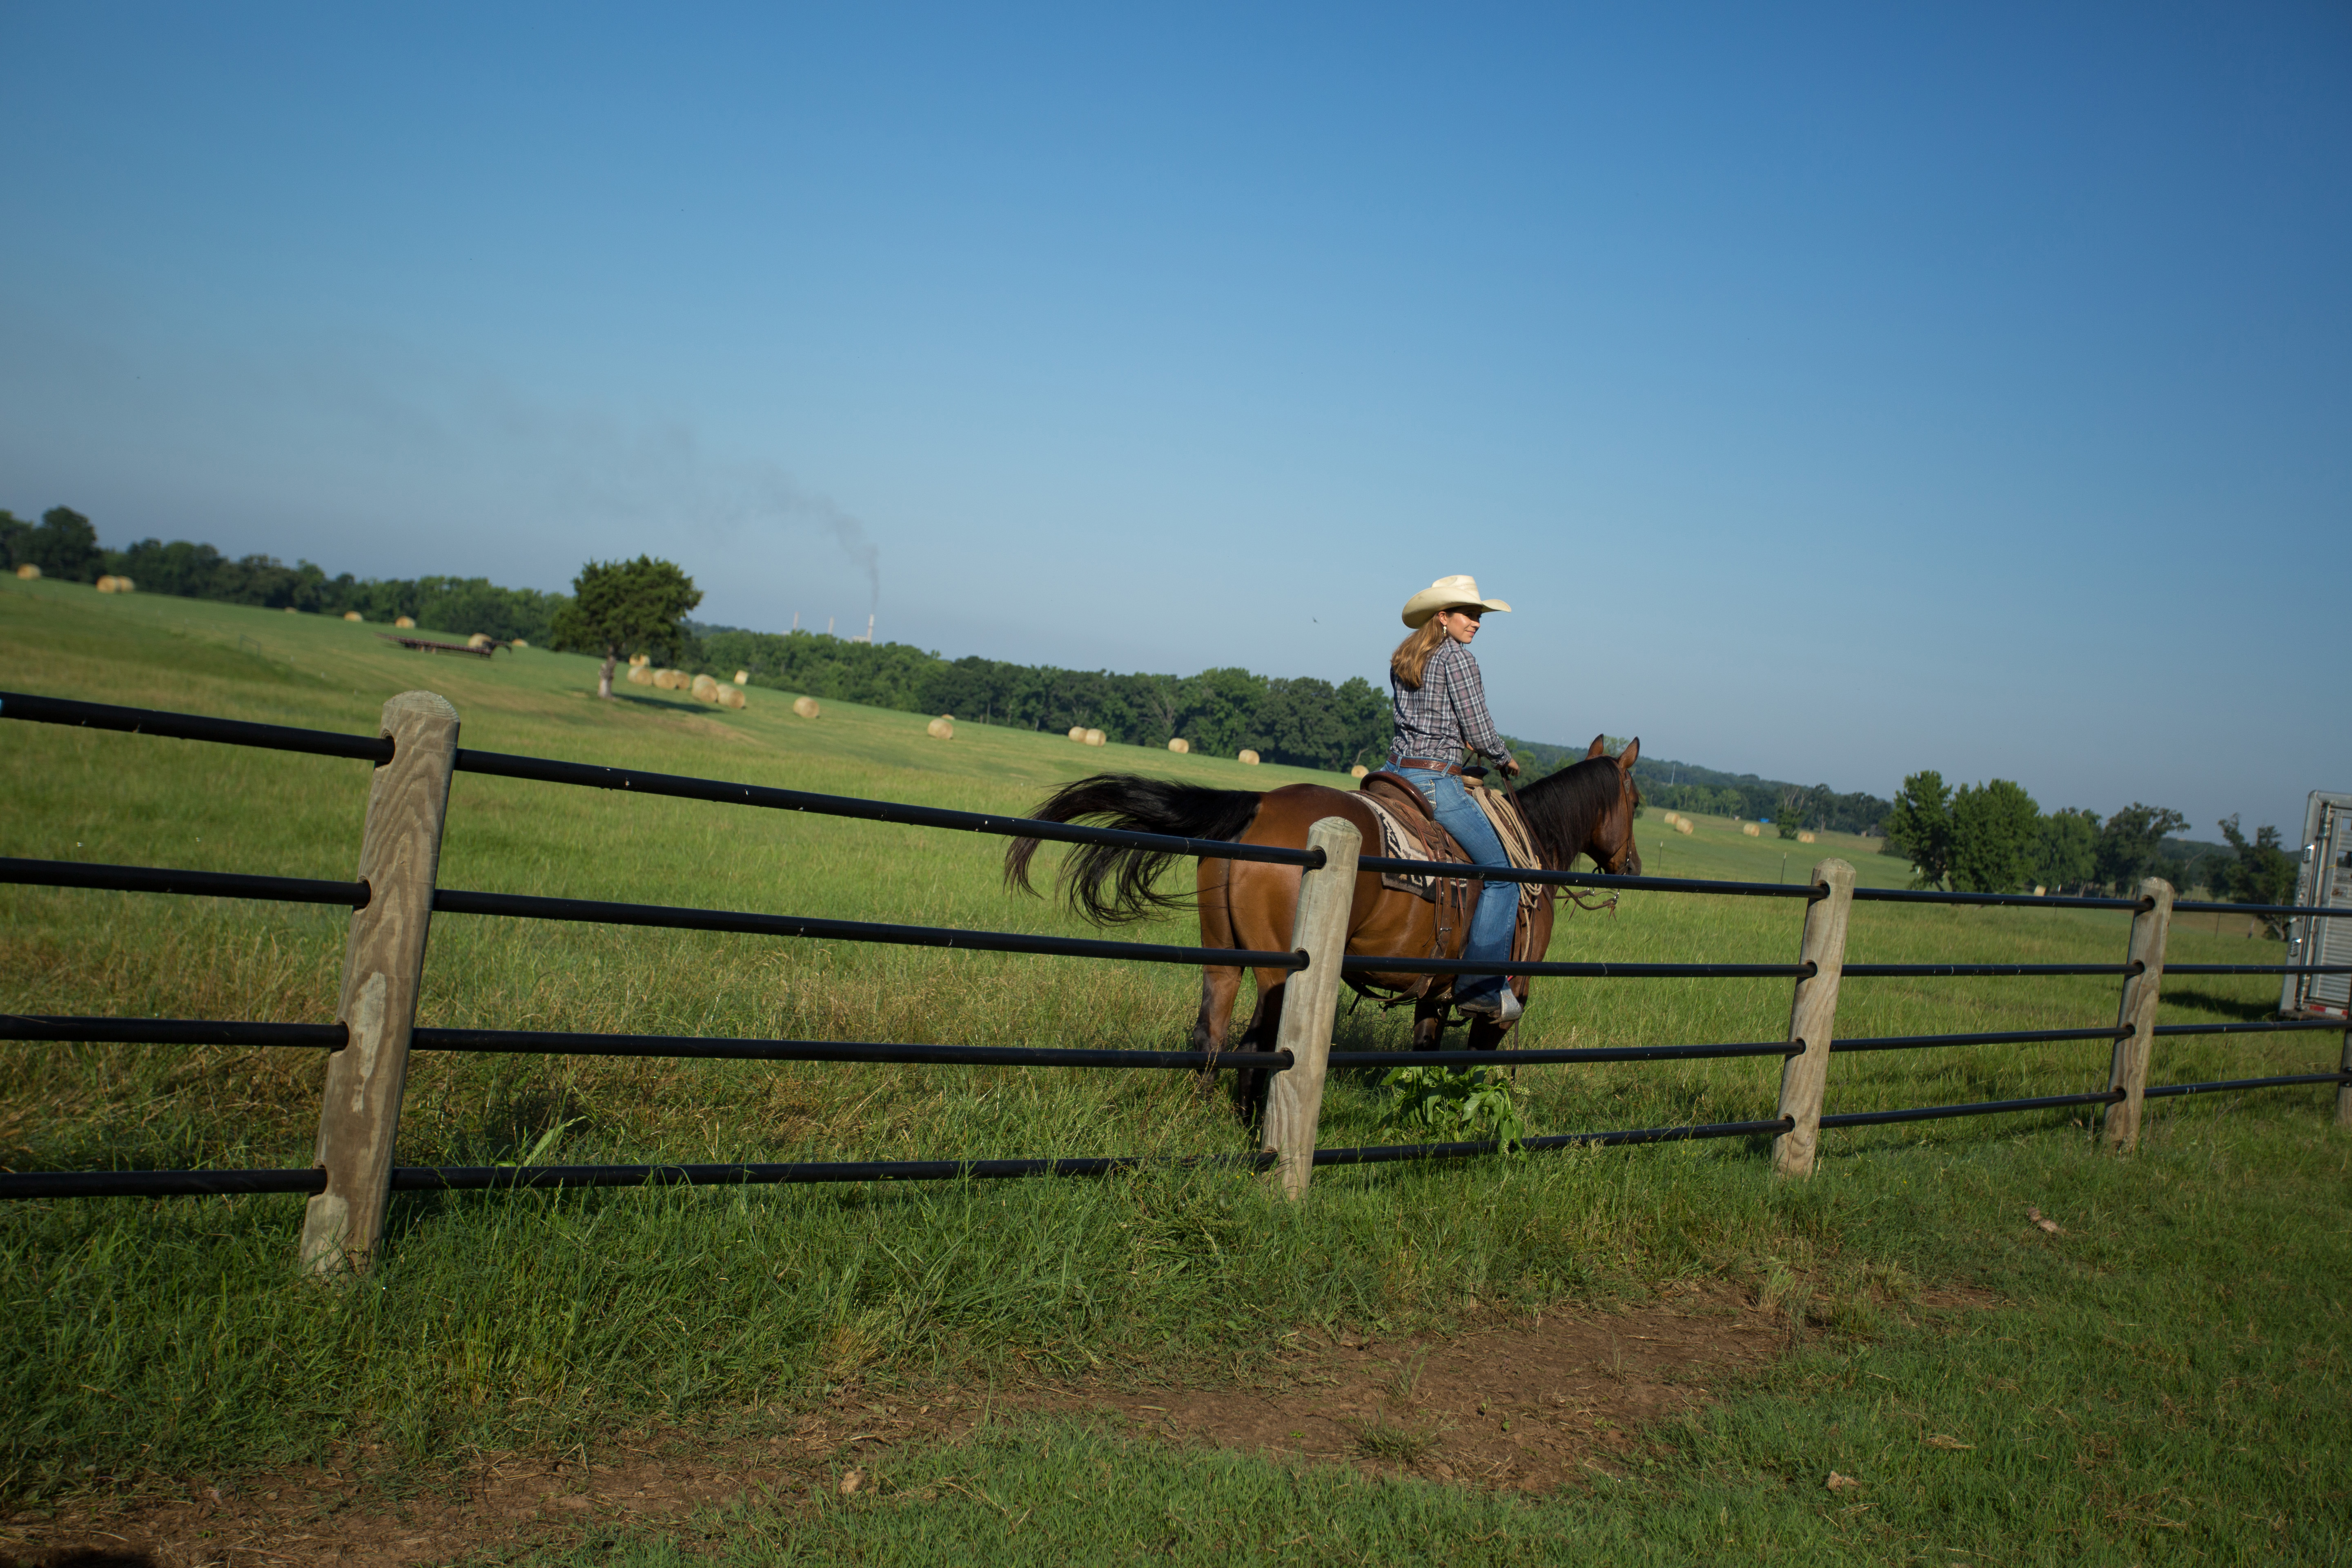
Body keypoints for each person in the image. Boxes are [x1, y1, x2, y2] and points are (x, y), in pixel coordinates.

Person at [1387, 574, 1524, 1024]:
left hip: (1393, 773)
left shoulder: (1405, 655)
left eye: (1481, 616)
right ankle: (1481, 986)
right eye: (1470, 614)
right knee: (1503, 876)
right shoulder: (1458, 659)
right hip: (1435, 783)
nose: (1478, 624)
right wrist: (1504, 758)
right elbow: (1479, 731)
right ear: (1443, 616)